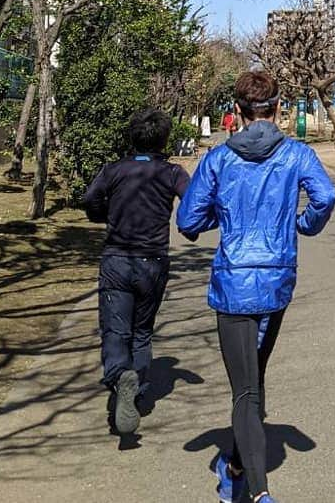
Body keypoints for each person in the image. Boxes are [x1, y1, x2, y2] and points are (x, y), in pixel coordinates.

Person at [177, 69, 335, 503]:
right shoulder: (297, 155)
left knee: (246, 388)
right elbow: (326, 197)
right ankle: (233, 468)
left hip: (233, 282)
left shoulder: (218, 158)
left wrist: (224, 217)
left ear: (236, 112)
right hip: (276, 278)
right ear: (278, 108)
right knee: (253, 380)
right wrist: (303, 223)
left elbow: (188, 220)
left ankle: (258, 492)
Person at [83, 106, 191, 437]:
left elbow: (90, 200)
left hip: (117, 258)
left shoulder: (113, 170)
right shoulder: (173, 173)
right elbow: (193, 204)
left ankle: (119, 376)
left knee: (116, 331)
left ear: (132, 137)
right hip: (153, 261)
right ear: (164, 139)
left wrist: (104, 216)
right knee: (142, 330)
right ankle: (139, 387)